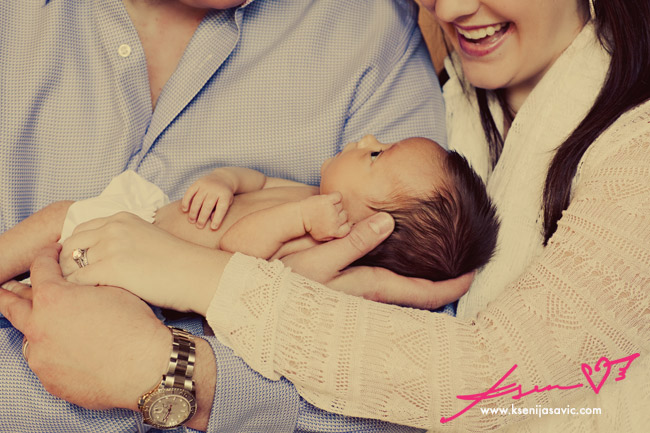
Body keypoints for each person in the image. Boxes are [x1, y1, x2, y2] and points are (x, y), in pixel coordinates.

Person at [6, 0, 646, 432]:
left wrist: (174, 351)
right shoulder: (463, 107)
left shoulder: (385, 63)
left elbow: (500, 390)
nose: (448, 7)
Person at [0, 135, 498, 287]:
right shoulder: (307, 192)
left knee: (52, 283)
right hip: (139, 218)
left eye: (376, 154)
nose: (366, 138)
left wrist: (299, 220)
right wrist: (224, 180)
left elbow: (235, 252)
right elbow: (254, 181)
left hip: (131, 276)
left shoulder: (311, 241)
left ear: (371, 223)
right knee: (57, 217)